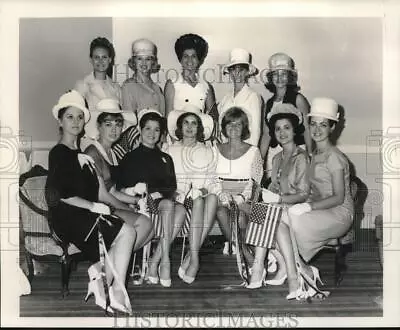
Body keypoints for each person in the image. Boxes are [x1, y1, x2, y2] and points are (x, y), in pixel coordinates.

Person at [45, 90, 140, 314]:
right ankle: (112, 289)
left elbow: (94, 190)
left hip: (82, 214)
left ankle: (106, 285)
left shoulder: (80, 154)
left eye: (80, 117)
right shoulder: (59, 153)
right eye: (70, 116)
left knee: (127, 232)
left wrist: (102, 203)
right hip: (67, 217)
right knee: (126, 232)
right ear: (60, 120)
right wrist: (93, 206)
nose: (76, 122)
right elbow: (59, 195)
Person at [283, 98, 354, 299]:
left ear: (332, 127)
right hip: (322, 208)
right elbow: (313, 190)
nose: (317, 129)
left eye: (323, 125)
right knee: (281, 215)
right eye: (313, 123)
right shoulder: (314, 153)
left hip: (339, 213)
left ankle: (297, 266)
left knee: (294, 219)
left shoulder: (334, 157)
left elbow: (339, 198)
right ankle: (300, 267)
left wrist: (307, 207)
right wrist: (290, 200)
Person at [115, 110, 186, 287]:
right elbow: (122, 187)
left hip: (161, 201)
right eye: (147, 128)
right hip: (139, 204)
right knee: (169, 206)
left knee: (181, 209)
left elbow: (171, 186)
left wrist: (159, 193)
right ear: (140, 130)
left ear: (161, 134)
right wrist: (142, 193)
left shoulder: (165, 158)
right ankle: (164, 263)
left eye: (156, 130)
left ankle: (156, 261)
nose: (151, 133)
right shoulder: (130, 158)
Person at [246, 103, 310, 293]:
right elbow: (275, 187)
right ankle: (283, 266)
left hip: (299, 208)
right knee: (255, 211)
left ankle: (259, 268)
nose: (282, 133)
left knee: (264, 214)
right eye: (277, 129)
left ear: (295, 131)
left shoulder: (302, 157)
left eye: (286, 128)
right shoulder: (276, 158)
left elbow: (304, 194)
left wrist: (278, 200)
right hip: (279, 207)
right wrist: (267, 194)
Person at [84, 98, 154, 252]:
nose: (114, 130)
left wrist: (138, 200)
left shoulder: (112, 153)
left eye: (118, 124)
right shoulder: (92, 152)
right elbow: (101, 195)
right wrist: (130, 209)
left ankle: (114, 263)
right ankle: (110, 264)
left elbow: (113, 191)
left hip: (108, 206)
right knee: (144, 224)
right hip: (94, 211)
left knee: (151, 229)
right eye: (108, 125)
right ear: (99, 127)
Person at [165, 109, 219, 284]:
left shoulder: (207, 150)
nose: (189, 127)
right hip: (177, 198)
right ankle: (194, 259)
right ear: (180, 126)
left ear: (199, 128)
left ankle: (192, 255)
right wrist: (175, 192)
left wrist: (202, 191)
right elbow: (163, 180)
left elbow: (212, 181)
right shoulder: (170, 149)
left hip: (198, 197)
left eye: (194, 123)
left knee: (210, 198)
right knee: (199, 200)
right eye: (186, 123)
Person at [215, 107, 263, 263]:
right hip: (221, 195)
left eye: (238, 124)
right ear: (224, 127)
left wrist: (242, 197)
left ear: (244, 128)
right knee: (221, 212)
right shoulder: (215, 149)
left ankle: (238, 245)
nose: (233, 128)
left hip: (244, 197)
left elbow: (256, 181)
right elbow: (211, 177)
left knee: (241, 217)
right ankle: (243, 250)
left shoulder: (253, 151)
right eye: (229, 123)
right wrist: (221, 194)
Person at [259, 53, 312, 183]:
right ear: (271, 78)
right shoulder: (269, 103)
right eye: (276, 74)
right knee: (274, 188)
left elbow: (307, 130)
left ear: (289, 77)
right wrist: (259, 160)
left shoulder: (299, 99)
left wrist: (310, 155)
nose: (279, 78)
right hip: (274, 153)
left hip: (296, 150)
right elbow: (266, 134)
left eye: (284, 74)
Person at [114, 39, 165, 160]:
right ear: (133, 62)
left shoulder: (157, 88)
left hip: (158, 143)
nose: (143, 63)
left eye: (148, 59)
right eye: (139, 58)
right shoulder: (128, 85)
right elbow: (129, 122)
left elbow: (163, 118)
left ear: (153, 62)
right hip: (139, 145)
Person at [164, 33, 218, 129]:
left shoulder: (206, 86)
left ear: (199, 59)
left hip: (200, 136)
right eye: (185, 56)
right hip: (177, 135)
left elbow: (213, 118)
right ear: (180, 59)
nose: (189, 60)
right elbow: (168, 117)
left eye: (193, 56)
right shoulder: (172, 84)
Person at [218, 48, 263, 147]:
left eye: (241, 70)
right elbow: (221, 129)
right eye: (233, 69)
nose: (237, 73)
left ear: (247, 72)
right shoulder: (225, 98)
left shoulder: (253, 97)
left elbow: (255, 131)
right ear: (229, 72)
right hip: (226, 150)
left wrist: (250, 155)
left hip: (245, 150)